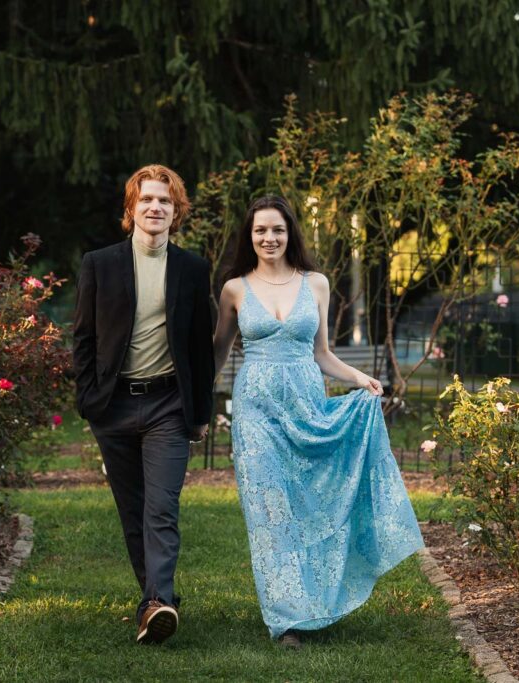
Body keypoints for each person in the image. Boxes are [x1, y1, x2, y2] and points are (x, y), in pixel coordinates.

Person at [212, 195, 424, 648]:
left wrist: (360, 377)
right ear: (249, 237)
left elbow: (322, 353)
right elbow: (219, 350)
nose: (269, 238)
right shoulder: (235, 289)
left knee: (309, 504)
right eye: (260, 231)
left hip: (307, 406)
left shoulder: (317, 284)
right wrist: (198, 404)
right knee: (270, 513)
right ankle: (287, 619)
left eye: (277, 230)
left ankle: (317, 598)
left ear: (290, 234)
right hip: (257, 413)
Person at [73, 164, 214, 644]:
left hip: (167, 406)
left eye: (166, 202)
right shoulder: (100, 263)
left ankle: (161, 600)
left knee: (161, 507)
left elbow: (199, 346)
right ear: (131, 209)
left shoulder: (192, 269)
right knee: (132, 510)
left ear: (177, 213)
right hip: (113, 406)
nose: (156, 208)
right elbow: (84, 338)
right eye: (148, 200)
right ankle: (152, 601)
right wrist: (89, 401)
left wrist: (199, 413)